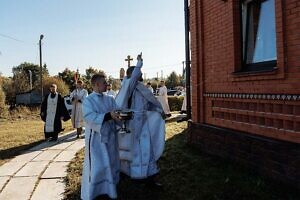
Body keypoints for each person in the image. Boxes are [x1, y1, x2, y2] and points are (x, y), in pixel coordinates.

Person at [115, 53, 165, 187]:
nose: (141, 74)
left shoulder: (141, 86)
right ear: (133, 74)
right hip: (130, 123)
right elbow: (133, 78)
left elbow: (149, 103)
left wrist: (160, 111)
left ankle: (149, 176)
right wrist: (139, 63)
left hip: (143, 123)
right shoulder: (128, 85)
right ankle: (128, 173)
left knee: (147, 149)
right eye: (139, 72)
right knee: (130, 150)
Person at [81, 73, 121, 200]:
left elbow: (117, 111)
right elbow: (89, 117)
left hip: (110, 138)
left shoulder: (110, 99)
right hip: (96, 141)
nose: (107, 84)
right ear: (96, 84)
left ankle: (110, 189)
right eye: (104, 83)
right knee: (98, 166)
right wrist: (109, 116)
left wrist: (121, 115)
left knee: (111, 162)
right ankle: (95, 192)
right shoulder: (88, 100)